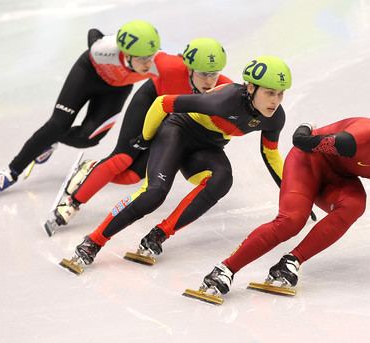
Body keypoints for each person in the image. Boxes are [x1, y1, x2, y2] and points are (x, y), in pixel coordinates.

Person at [60, 55, 293, 274]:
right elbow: (163, 103)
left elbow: (270, 154)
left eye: (281, 94)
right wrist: (146, 138)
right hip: (177, 132)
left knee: (222, 180)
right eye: (270, 93)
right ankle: (94, 241)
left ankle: (158, 235)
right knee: (154, 193)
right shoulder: (223, 100)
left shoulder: (275, 117)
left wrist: (291, 190)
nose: (275, 101)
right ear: (250, 88)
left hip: (205, 147)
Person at [191, 93, 370, 302]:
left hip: (338, 177)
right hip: (307, 164)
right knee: (291, 221)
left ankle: (289, 263)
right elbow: (301, 141)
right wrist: (307, 125)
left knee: (354, 205)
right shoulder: (354, 141)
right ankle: (224, 270)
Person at [45, 38, 232, 234]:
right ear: (189, 68)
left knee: (132, 176)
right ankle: (71, 203)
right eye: (203, 74)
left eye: (214, 74)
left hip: (171, 121)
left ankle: (91, 168)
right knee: (122, 158)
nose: (210, 81)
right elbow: (140, 52)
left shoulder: (223, 88)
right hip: (149, 103)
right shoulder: (168, 66)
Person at [0, 20, 161, 199]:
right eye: (142, 58)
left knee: (88, 139)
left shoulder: (158, 64)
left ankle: (49, 142)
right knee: (57, 125)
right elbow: (93, 31)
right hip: (87, 75)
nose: (148, 63)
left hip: (116, 91)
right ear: (126, 54)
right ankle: (12, 171)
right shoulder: (103, 49)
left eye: (151, 56)